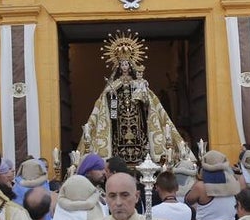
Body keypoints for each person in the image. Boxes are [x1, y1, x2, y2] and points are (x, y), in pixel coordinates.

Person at [77, 32, 185, 164]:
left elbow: (147, 103)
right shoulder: (115, 84)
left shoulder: (138, 83)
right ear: (119, 66)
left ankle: (142, 154)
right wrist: (112, 95)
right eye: (122, 64)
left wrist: (142, 95)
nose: (124, 67)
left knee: (139, 131)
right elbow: (109, 104)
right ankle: (118, 155)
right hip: (119, 117)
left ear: (130, 66)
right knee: (118, 133)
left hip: (136, 115)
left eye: (126, 64)